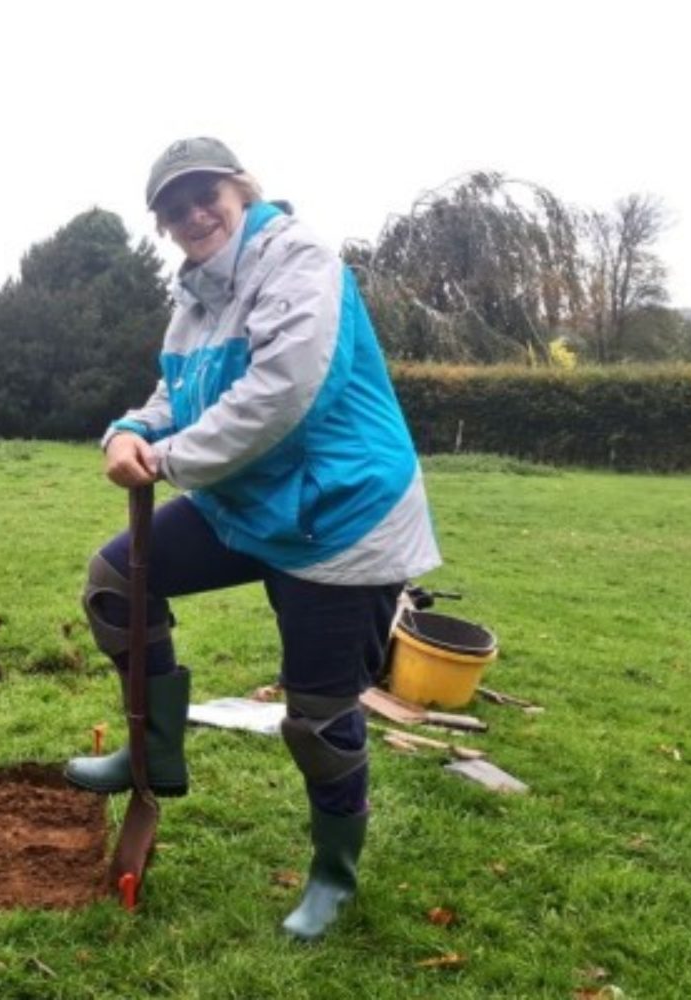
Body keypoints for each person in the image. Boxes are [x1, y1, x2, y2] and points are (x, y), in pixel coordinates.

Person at [64, 137, 441, 941]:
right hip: (251, 504)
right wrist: (129, 428)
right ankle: (154, 751)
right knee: (116, 581)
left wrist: (164, 459)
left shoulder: (299, 261)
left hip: (343, 518)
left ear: (240, 191)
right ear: (162, 225)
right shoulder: (197, 293)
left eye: (207, 194)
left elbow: (287, 392)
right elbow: (179, 388)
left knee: (319, 718)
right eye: (174, 206)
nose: (193, 213)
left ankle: (333, 875)